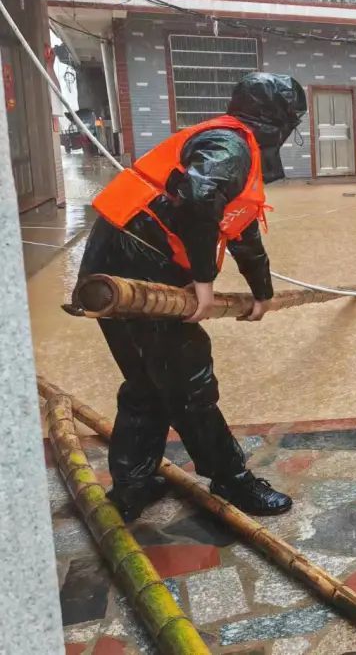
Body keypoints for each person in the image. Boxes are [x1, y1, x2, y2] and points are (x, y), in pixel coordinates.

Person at [76, 73, 305, 519]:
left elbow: (237, 222)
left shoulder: (232, 145)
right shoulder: (231, 145)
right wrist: (203, 279)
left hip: (111, 259)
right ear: (278, 119)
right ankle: (231, 479)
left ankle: (133, 485)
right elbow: (200, 199)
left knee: (147, 381)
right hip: (139, 265)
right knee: (189, 383)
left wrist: (261, 291)